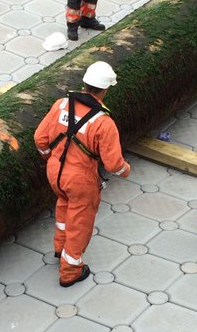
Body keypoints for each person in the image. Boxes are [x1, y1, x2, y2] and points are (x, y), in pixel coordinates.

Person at [34, 61, 131, 287]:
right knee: (80, 223)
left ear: (84, 84)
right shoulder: (104, 123)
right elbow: (114, 164)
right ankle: (70, 272)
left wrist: (51, 157)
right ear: (106, 89)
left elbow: (39, 138)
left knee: (63, 206)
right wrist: (126, 170)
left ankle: (60, 249)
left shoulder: (61, 105)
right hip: (80, 180)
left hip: (55, 172)